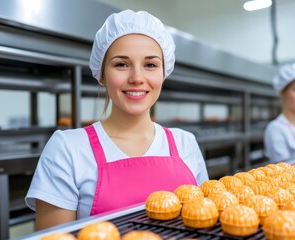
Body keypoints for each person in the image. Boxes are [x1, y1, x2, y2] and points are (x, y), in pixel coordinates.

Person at [25, 9, 209, 230]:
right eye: (121, 64)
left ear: (164, 72)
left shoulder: (185, 144)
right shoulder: (68, 149)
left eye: (150, 65)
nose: (137, 78)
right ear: (102, 74)